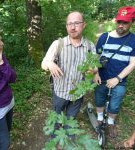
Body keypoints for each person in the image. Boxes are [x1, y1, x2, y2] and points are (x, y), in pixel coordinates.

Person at [41, 11, 95, 119]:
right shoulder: (58, 44)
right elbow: (44, 63)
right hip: (60, 93)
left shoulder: (90, 46)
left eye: (76, 23)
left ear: (84, 25)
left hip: (78, 94)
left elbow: (94, 66)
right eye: (69, 24)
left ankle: (68, 135)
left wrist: (93, 71)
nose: (73, 27)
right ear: (66, 26)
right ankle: (56, 134)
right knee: (57, 118)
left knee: (71, 120)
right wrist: (50, 64)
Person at [94, 6, 135, 138]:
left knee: (115, 103)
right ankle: (100, 118)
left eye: (125, 22)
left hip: (120, 80)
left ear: (132, 22)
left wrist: (117, 78)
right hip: (102, 77)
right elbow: (95, 58)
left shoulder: (133, 40)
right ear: (115, 21)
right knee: (99, 98)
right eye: (119, 22)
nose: (121, 25)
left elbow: (133, 63)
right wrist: (95, 73)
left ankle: (110, 122)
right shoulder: (104, 38)